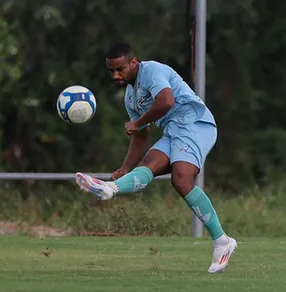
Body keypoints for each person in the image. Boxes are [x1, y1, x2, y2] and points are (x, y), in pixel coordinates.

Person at [75, 42, 237, 273]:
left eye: (120, 69)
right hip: (173, 130)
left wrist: (138, 122)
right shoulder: (130, 98)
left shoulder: (151, 70)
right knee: (148, 165)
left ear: (133, 62)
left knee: (181, 179)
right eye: (111, 71)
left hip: (195, 123)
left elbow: (166, 100)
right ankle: (112, 188)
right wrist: (125, 167)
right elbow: (140, 138)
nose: (116, 75)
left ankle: (222, 242)